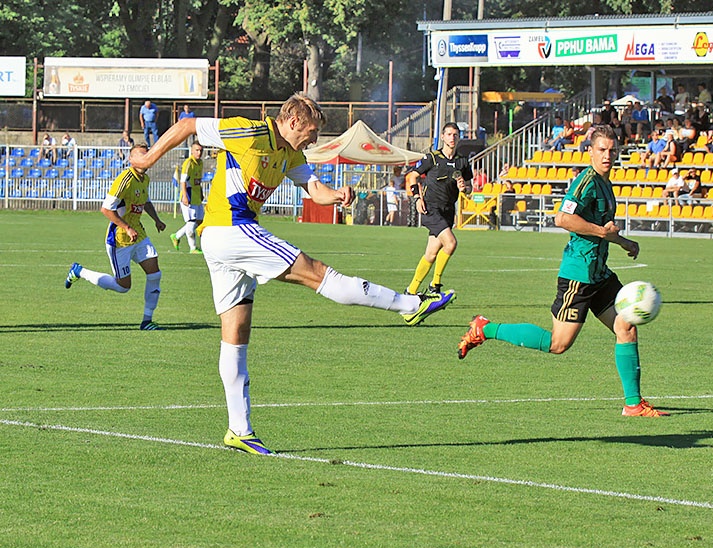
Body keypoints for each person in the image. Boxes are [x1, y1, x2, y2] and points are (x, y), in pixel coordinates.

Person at [128, 93, 456, 455]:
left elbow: (314, 190)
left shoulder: (292, 153)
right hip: (231, 229)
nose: (314, 139)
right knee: (316, 273)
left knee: (236, 334)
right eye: (312, 131)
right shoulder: (249, 131)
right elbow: (190, 126)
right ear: (294, 122)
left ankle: (239, 430)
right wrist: (146, 158)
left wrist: (338, 195)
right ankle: (409, 304)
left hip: (222, 240)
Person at [457, 125, 668, 418]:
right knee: (558, 344)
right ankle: (485, 328)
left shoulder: (606, 183)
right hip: (578, 275)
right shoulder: (586, 182)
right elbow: (563, 218)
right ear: (591, 151)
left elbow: (603, 231)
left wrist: (623, 242)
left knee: (626, 327)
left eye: (612, 150)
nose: (608, 155)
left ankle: (633, 404)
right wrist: (604, 234)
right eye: (602, 150)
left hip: (599, 273)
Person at [64, 143, 167, 331]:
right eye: (142, 155)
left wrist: (156, 220)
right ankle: (80, 272)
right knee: (123, 287)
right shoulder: (124, 180)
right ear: (131, 159)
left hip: (139, 234)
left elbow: (146, 201)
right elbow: (106, 209)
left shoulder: (145, 179)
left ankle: (147, 321)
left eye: (148, 155)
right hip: (119, 239)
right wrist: (127, 227)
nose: (146, 159)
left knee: (155, 274)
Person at [404, 122, 473, 296]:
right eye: (449, 134)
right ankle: (435, 284)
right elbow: (412, 176)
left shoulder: (462, 161)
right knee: (451, 243)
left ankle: (410, 290)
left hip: (448, 210)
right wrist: (417, 198)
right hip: (431, 208)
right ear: (442, 137)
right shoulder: (432, 158)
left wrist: (464, 187)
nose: (452, 137)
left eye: (455, 134)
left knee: (431, 253)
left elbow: (470, 188)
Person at [170, 142, 205, 253]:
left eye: (200, 150)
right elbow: (183, 181)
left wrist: (201, 192)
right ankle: (193, 248)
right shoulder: (188, 163)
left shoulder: (200, 163)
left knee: (199, 221)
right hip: (189, 196)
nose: (199, 152)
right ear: (192, 150)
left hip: (196, 196)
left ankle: (177, 236)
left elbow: (198, 181)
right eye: (197, 150)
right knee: (191, 222)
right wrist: (185, 196)